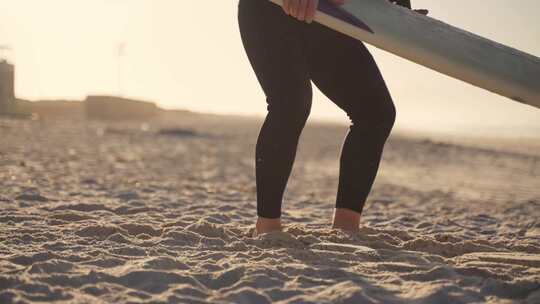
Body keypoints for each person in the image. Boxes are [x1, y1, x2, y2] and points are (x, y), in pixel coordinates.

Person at [238, 0, 424, 236]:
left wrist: (400, 10)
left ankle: (346, 227)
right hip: (271, 8)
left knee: (375, 113)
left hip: (325, 14)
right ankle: (268, 226)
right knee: (291, 103)